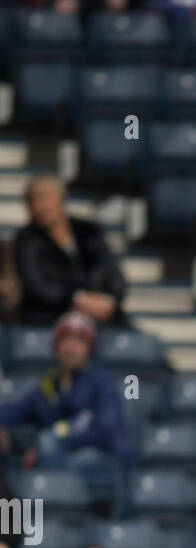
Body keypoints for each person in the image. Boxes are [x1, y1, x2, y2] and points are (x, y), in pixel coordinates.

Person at [0, 310, 135, 489]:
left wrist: (53, 443)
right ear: (56, 346)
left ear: (90, 348)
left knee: (48, 443)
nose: (71, 348)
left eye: (79, 341)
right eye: (66, 340)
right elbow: (14, 412)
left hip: (104, 460)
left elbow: (106, 430)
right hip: (62, 456)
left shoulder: (102, 382)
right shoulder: (50, 384)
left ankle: (50, 505)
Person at [14, 174, 125, 327]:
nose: (39, 206)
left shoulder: (88, 232)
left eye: (44, 198)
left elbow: (113, 273)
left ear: (62, 199)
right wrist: (78, 300)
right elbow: (38, 287)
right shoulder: (27, 241)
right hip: (51, 320)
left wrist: (109, 300)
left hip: (101, 319)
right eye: (32, 200)